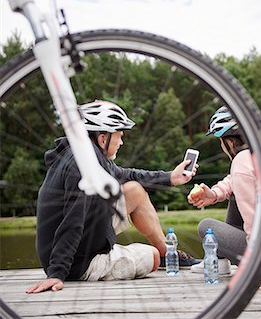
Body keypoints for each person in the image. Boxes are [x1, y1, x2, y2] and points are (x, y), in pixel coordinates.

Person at [26, 100, 200, 294]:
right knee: (152, 257)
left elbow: (128, 175)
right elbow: (72, 221)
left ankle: (169, 255)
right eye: (119, 136)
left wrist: (170, 177)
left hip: (76, 242)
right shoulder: (82, 168)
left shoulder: (84, 154)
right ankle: (159, 256)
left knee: (134, 190)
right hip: (78, 263)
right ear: (103, 139)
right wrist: (57, 273)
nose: (122, 142)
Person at [188, 106, 261, 289]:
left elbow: (258, 224)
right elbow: (236, 180)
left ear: (230, 142)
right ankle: (220, 261)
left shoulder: (241, 162)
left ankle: (220, 260)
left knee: (206, 227)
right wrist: (215, 194)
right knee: (236, 195)